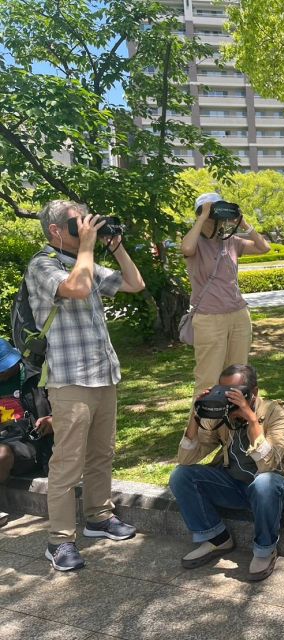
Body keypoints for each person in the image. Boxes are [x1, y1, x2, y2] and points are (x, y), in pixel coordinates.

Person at [26, 200, 145, 571]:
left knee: (101, 454)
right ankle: (59, 540)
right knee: (66, 463)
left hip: (103, 374)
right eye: (80, 224)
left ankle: (99, 517)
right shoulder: (42, 264)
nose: (87, 228)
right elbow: (76, 289)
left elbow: (134, 284)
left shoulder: (87, 261)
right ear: (57, 231)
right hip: (69, 379)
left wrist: (116, 245)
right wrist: (90, 248)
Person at [169, 364, 284, 581]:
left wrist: (251, 419)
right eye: (223, 391)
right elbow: (186, 459)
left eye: (235, 392)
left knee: (263, 483)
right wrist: (196, 417)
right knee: (182, 476)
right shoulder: (222, 415)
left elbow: (268, 465)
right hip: (236, 486)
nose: (228, 398)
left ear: (254, 392)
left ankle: (264, 550)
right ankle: (216, 538)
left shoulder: (275, 413)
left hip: (276, 486)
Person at [181, 193, 270, 424]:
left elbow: (264, 248)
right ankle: (201, 428)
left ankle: (233, 423)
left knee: (238, 375)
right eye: (211, 211)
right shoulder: (195, 240)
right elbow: (187, 248)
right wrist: (202, 217)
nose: (216, 216)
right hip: (209, 317)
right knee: (208, 377)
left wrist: (242, 223)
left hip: (239, 314)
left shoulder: (231, 240)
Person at [0, 339, 54, 528]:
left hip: (29, 442)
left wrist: (54, 418)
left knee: (1, 453)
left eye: (4, 368)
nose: (2, 374)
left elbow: (65, 407)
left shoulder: (37, 378)